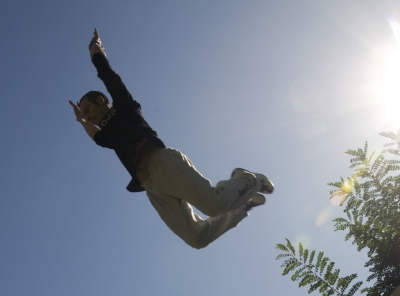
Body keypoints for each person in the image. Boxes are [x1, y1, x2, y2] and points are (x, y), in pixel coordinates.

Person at [69, 30, 274, 250]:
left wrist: (94, 47)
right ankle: (243, 206)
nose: (88, 116)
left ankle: (249, 179)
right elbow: (97, 137)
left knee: (214, 204)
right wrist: (81, 121)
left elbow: (106, 72)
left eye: (88, 109)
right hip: (151, 187)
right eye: (84, 114)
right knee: (197, 238)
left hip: (163, 163)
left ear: (101, 100)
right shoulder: (108, 135)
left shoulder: (123, 106)